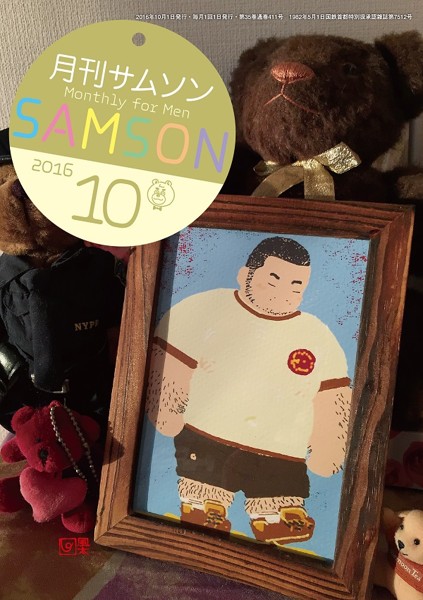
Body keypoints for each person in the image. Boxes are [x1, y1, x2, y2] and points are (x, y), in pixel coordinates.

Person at [146, 236, 352, 546]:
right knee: (205, 475)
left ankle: (275, 515)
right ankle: (203, 504)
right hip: (208, 431)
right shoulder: (206, 308)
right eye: (274, 280)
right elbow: (170, 359)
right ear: (246, 275)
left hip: (280, 444)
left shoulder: (316, 335)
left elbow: (333, 398)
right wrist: (165, 410)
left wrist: (329, 449)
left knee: (278, 483)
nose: (283, 293)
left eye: (296, 286)